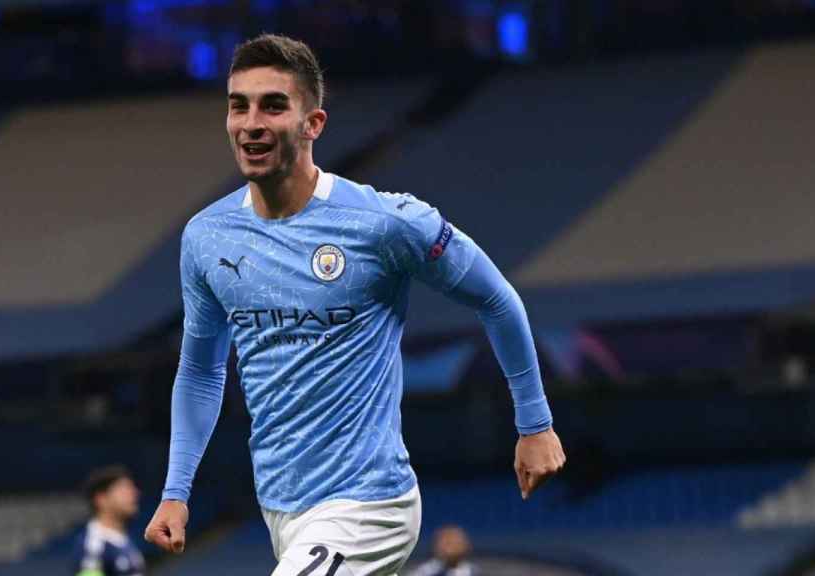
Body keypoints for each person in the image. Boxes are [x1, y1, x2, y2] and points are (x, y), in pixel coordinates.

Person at [145, 34, 566, 576]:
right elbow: (202, 371)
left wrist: (535, 424)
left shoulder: (384, 223)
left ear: (313, 123)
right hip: (282, 506)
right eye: (238, 105)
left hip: (370, 504)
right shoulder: (207, 237)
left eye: (273, 105)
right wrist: (177, 490)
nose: (251, 122)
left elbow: (495, 298)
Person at [73, 465, 145, 576]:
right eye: (124, 489)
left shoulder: (123, 540)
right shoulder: (94, 542)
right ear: (101, 499)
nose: (134, 494)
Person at [407, 526, 479, 576]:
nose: (452, 548)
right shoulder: (425, 572)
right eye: (448, 543)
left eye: (456, 542)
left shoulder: (474, 572)